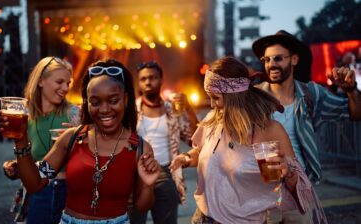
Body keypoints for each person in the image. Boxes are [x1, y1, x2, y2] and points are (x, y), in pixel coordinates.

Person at [0, 58, 160, 224]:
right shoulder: (71, 138)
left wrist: (148, 185)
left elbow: (142, 207)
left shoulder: (139, 148)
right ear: (87, 103)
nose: (104, 109)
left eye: (113, 101)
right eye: (95, 102)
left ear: (125, 100)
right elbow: (34, 184)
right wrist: (21, 140)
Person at [170, 56, 327, 224]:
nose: (212, 105)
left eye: (215, 98)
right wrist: (186, 158)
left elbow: (294, 188)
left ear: (234, 97)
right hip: (203, 217)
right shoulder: (213, 119)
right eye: (209, 97)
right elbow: (203, 150)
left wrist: (288, 173)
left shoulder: (268, 131)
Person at [252, 30, 361, 183]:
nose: (271, 65)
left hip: (300, 186)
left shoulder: (312, 94)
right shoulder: (254, 97)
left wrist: (351, 90)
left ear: (294, 59)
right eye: (267, 59)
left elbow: (356, 113)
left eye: (278, 58)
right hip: (262, 186)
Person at [1, 56, 80, 223]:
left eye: (68, 83)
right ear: (41, 81)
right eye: (59, 82)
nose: (65, 88)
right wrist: (15, 167)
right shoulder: (25, 116)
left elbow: (90, 157)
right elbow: (30, 159)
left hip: (70, 192)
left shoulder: (74, 114)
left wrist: (77, 142)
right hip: (38, 194)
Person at [131, 61, 198, 224]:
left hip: (166, 171)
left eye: (152, 78)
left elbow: (194, 139)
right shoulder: (130, 111)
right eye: (143, 79)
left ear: (161, 80)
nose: (148, 82)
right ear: (139, 83)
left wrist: (188, 108)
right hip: (135, 173)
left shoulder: (172, 110)